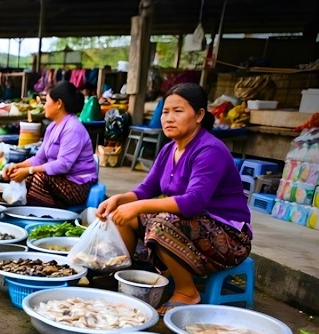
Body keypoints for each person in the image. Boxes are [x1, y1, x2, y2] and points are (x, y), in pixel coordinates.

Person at [96, 83, 251, 311]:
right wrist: (120, 200)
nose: (169, 118)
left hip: (228, 237)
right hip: (191, 225)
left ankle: (187, 292)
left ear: (199, 115)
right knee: (123, 216)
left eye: (178, 111)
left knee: (161, 223)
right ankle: (122, 275)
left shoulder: (210, 150)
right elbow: (146, 189)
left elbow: (194, 201)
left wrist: (138, 207)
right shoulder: (169, 149)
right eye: (166, 112)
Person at [1, 81, 98, 208]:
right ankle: (45, 208)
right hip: (59, 181)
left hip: (77, 186)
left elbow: (63, 165)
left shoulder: (73, 129)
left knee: (38, 178)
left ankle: (37, 215)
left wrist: (28, 170)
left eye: (46, 101)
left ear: (59, 104)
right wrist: (17, 167)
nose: (44, 105)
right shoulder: (52, 127)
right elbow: (39, 159)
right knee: (23, 178)